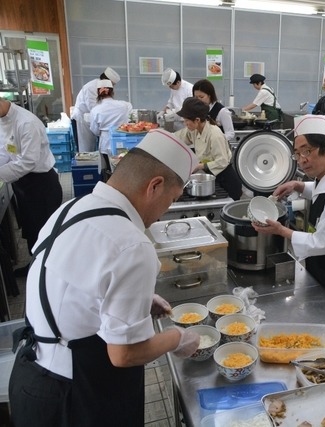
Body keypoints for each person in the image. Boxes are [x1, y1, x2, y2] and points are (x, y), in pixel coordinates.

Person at [9, 129, 201, 427]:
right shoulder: (133, 244)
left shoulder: (72, 208)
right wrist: (177, 338)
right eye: (171, 200)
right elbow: (124, 354)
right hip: (77, 398)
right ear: (155, 186)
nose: (166, 212)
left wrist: (139, 299)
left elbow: (71, 280)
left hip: (31, 379)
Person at [253, 114, 325, 321]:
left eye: (307, 151)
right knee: (319, 319)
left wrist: (281, 230)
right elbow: (321, 191)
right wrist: (298, 185)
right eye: (297, 153)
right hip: (323, 265)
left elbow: (322, 242)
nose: (302, 159)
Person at [0, 98, 63, 256]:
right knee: (31, 229)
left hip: (41, 186)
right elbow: (4, 151)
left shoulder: (27, 123)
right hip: (24, 184)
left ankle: (46, 274)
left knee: (44, 233)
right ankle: (33, 264)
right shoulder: (3, 120)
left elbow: (28, 162)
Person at [174, 97, 243, 200]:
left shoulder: (214, 134)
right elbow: (179, 137)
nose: (185, 123)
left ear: (197, 120)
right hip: (213, 177)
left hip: (227, 180)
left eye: (187, 120)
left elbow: (222, 162)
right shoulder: (195, 130)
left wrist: (199, 166)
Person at [71, 66, 120, 152]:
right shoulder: (92, 87)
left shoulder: (101, 87)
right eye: (112, 84)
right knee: (85, 149)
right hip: (82, 120)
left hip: (90, 120)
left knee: (92, 147)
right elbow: (94, 108)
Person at [89, 80, 133, 171]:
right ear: (112, 92)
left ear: (98, 93)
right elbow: (129, 117)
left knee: (110, 170)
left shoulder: (96, 110)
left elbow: (95, 130)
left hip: (106, 143)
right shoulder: (124, 105)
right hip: (124, 142)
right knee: (125, 169)